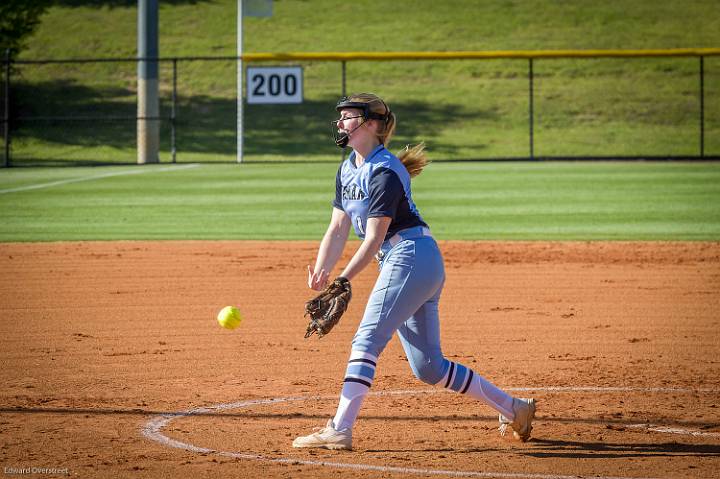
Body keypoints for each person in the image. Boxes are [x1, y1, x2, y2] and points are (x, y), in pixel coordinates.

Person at [292, 93, 536, 450]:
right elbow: (338, 227)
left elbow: (375, 236)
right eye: (340, 117)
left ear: (371, 125)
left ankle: (340, 428)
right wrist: (323, 268)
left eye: (348, 117)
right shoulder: (348, 168)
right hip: (412, 261)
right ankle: (514, 408)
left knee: (366, 339)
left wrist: (345, 277)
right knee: (429, 368)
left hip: (410, 256)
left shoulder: (385, 171)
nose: (341, 123)